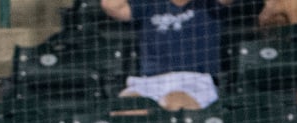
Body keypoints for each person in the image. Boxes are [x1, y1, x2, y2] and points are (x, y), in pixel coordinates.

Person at [100, 0, 233, 111]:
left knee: (174, 102)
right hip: (150, 82)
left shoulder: (208, 4)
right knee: (124, 109)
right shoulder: (147, 3)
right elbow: (111, 6)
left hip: (196, 81)